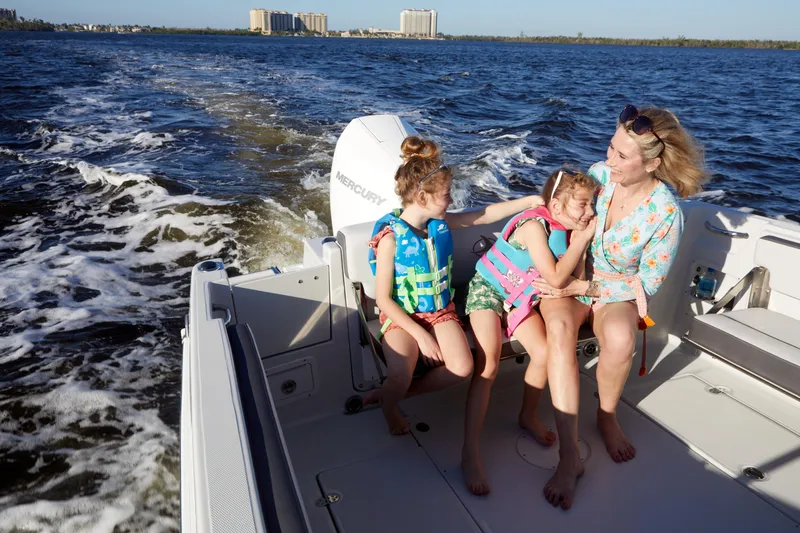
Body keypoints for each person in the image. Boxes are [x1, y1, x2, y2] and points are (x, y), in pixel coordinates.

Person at [533, 105, 708, 510]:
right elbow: (557, 214)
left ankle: (607, 416)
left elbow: (647, 283)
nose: (608, 160)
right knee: (559, 331)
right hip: (571, 274)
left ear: (653, 164)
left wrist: (590, 286)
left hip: (615, 291)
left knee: (620, 335)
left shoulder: (666, 214)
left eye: (621, 156)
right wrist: (569, 277)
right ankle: (568, 454)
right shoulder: (597, 176)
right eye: (610, 148)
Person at [364, 135, 545, 435]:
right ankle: (390, 403)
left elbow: (482, 216)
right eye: (446, 194)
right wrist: (421, 337)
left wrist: (527, 202)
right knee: (400, 373)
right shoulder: (390, 238)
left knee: (461, 368)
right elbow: (383, 300)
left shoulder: (440, 226)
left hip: (440, 311)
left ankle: (398, 395)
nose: (451, 200)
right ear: (423, 198)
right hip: (401, 317)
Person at [461, 167, 598, 495]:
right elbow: (554, 278)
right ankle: (469, 452)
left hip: (519, 300)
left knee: (546, 353)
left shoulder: (563, 232)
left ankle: (527, 416)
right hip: (488, 291)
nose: (590, 212)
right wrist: (581, 241)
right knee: (489, 364)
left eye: (591, 205)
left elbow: (570, 278)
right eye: (582, 205)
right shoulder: (534, 226)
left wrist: (578, 247)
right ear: (557, 207)